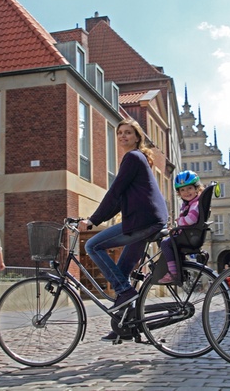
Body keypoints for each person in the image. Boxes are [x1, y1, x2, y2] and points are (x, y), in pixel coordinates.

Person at [78, 119, 167, 342]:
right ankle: (125, 326)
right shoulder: (137, 159)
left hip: (143, 221)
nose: (123, 136)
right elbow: (119, 200)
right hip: (148, 220)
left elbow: (115, 192)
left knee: (92, 245)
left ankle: (125, 293)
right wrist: (97, 219)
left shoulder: (133, 157)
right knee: (123, 271)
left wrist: (92, 221)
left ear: (137, 137)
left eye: (128, 133)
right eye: (120, 133)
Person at [158, 170, 204, 285]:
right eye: (182, 190)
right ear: (179, 192)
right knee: (171, 244)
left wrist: (178, 221)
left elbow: (191, 220)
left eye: (189, 188)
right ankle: (180, 269)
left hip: (189, 236)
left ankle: (173, 273)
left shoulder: (195, 204)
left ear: (196, 188)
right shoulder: (191, 203)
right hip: (189, 235)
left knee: (165, 244)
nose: (186, 192)